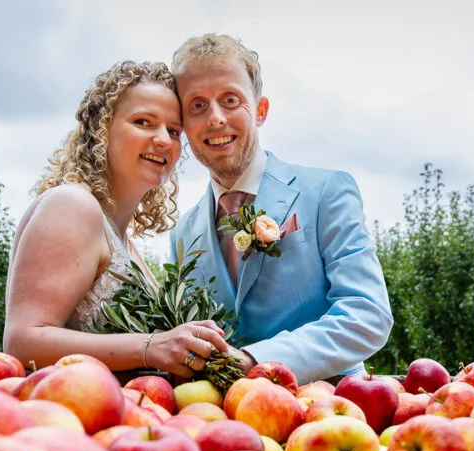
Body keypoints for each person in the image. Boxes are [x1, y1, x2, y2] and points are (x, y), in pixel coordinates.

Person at [168, 33, 394, 385]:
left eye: (230, 100)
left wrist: (255, 360)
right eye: (197, 106)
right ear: (183, 126)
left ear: (260, 111)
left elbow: (368, 314)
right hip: (220, 425)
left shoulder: (327, 192)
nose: (215, 118)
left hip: (329, 412)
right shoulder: (182, 234)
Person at [3, 60, 229, 378]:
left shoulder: (124, 241)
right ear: (102, 130)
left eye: (174, 130)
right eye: (144, 121)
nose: (164, 139)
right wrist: (151, 346)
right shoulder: (72, 206)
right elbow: (22, 342)